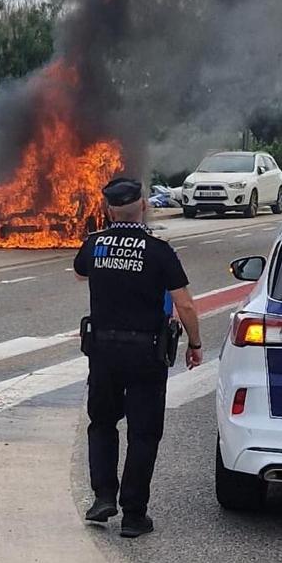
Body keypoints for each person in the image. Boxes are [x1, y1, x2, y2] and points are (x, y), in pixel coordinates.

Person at [73, 176, 203, 538]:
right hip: (146, 353)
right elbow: (185, 304)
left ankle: (102, 496)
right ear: (144, 205)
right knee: (144, 433)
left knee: (101, 423)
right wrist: (195, 344)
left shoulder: (94, 244)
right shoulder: (159, 249)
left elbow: (80, 273)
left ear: (108, 209)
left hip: (103, 352)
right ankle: (133, 515)